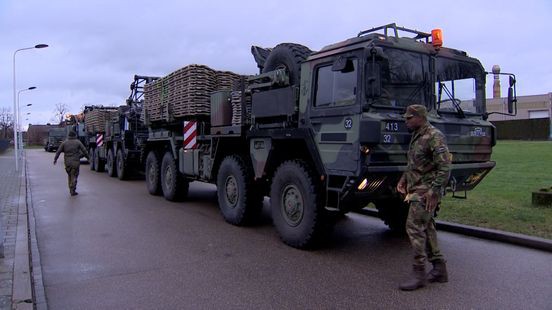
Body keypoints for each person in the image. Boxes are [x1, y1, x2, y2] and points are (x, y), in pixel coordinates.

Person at [396, 104, 452, 291]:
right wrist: (403, 179)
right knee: (426, 227)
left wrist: (433, 191)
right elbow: (414, 163)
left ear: (420, 117)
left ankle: (419, 273)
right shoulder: (417, 136)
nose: (406, 121)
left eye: (409, 118)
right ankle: (439, 269)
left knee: (413, 227)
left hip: (425, 192)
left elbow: (445, 167)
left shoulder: (434, 136)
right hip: (416, 188)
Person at [53, 131, 90, 196]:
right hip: (75, 162)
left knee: (70, 175)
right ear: (75, 135)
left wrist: (55, 159)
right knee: (74, 176)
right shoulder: (78, 142)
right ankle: (73, 187)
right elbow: (84, 151)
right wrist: (88, 158)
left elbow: (58, 151)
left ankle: (71, 189)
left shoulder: (64, 143)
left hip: (67, 163)